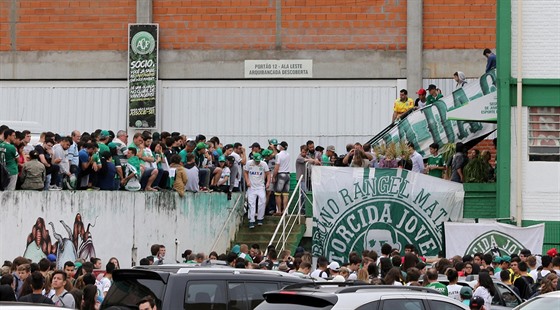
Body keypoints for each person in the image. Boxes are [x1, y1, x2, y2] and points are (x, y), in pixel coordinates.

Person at [243, 153, 270, 229]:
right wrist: (247, 181)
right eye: (256, 161)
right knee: (251, 203)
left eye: (258, 161)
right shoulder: (249, 163)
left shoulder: (263, 164)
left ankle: (260, 218)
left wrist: (268, 182)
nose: (257, 162)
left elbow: (268, 174)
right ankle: (251, 220)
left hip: (260, 186)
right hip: (251, 187)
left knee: (262, 201)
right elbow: (245, 172)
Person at [272, 141, 290, 215]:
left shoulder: (278, 155)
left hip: (280, 174)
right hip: (287, 174)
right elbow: (278, 156)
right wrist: (274, 149)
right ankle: (284, 210)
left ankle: (279, 210)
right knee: (285, 194)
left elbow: (277, 167)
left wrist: (274, 176)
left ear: (281, 147)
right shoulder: (288, 154)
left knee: (277, 194)